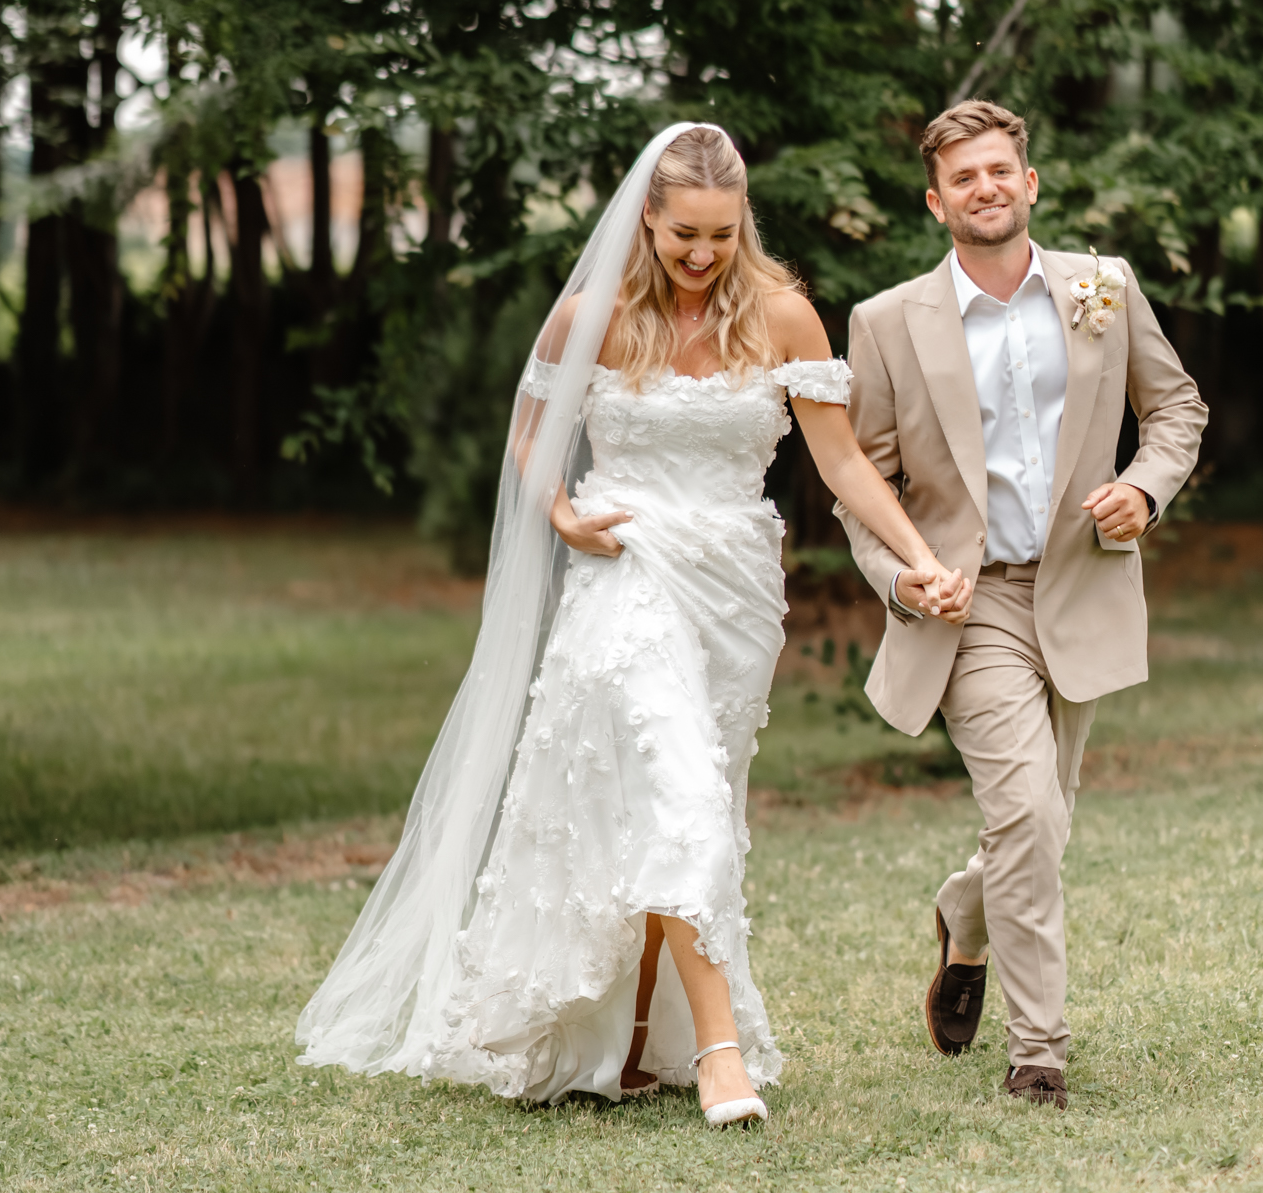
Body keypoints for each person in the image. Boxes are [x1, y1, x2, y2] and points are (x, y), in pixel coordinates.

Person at [297, 122, 959, 1128]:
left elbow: (841, 462)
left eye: (721, 236)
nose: (702, 255)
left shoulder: (784, 316)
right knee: (677, 789)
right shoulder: (590, 317)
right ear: (647, 217)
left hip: (733, 590)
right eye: (684, 233)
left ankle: (640, 1039)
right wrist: (561, 512)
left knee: (686, 803)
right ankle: (722, 1056)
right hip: (625, 572)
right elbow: (531, 437)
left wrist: (918, 558)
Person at [836, 99, 1207, 1107]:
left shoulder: (1102, 287)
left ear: (1029, 182)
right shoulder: (886, 324)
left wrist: (1144, 489)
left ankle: (966, 916)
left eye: (1000, 170)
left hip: (1081, 585)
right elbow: (860, 487)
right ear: (936, 202)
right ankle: (1038, 1052)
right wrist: (900, 578)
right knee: (1028, 810)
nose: (985, 188)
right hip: (971, 606)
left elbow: (1175, 407)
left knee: (1044, 819)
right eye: (963, 177)